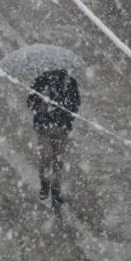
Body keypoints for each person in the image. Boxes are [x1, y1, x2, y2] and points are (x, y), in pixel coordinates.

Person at [27, 69, 81, 206]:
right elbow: (30, 102)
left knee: (58, 160)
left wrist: (62, 110)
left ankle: (56, 191)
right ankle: (45, 185)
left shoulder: (70, 83)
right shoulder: (40, 81)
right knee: (46, 156)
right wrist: (39, 106)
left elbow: (75, 105)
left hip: (62, 128)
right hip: (43, 128)